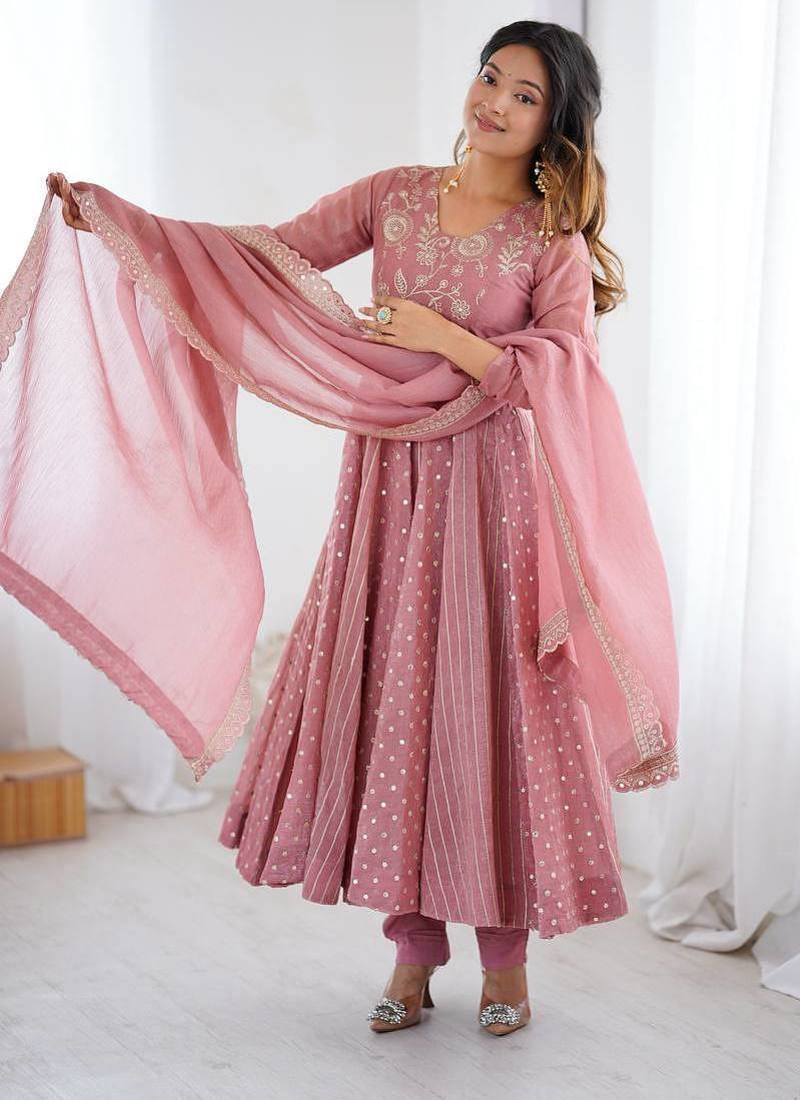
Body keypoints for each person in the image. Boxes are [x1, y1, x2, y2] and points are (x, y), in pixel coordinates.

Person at [44, 19, 677, 1039]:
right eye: (490, 78)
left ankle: (506, 965)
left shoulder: (548, 240)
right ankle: (411, 953)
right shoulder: (395, 195)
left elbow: (562, 372)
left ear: (552, 123)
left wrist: (447, 339)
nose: (495, 102)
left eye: (524, 95)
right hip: (387, 489)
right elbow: (264, 257)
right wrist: (122, 224)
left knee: (490, 712)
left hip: (493, 506)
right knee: (397, 705)